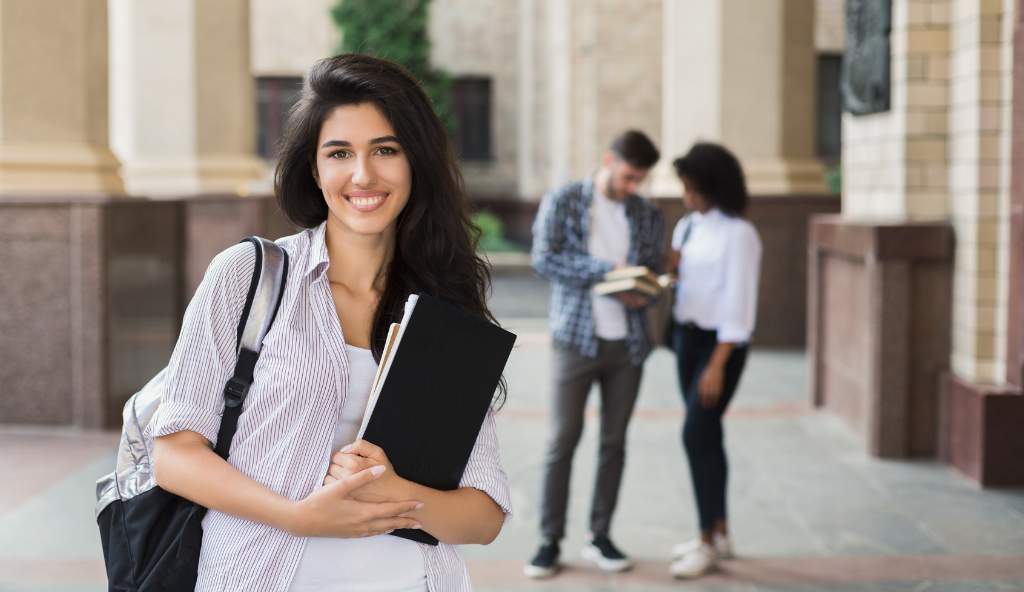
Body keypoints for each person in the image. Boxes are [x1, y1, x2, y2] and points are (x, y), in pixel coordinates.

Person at [151, 54, 511, 592]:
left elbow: (483, 518)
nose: (363, 174)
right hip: (257, 575)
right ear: (315, 170)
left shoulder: (444, 306)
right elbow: (174, 457)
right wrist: (299, 515)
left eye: (385, 150)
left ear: (416, 162)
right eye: (339, 152)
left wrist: (395, 493)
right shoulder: (249, 275)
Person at [525, 130, 665, 578]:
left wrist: (643, 291)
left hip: (629, 344)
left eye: (639, 180)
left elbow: (655, 269)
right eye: (627, 177)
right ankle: (549, 540)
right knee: (561, 442)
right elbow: (544, 258)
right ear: (609, 160)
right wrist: (608, 273)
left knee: (614, 443)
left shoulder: (646, 213)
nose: (631, 188)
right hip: (576, 340)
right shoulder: (565, 200)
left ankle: (600, 536)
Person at [666, 142, 761, 579]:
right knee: (708, 438)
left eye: (691, 187)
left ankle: (706, 543)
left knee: (695, 435)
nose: (686, 195)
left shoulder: (739, 234)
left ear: (712, 186)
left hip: (719, 349)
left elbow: (739, 307)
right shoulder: (687, 227)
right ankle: (719, 534)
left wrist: (718, 364)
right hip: (686, 341)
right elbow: (685, 287)